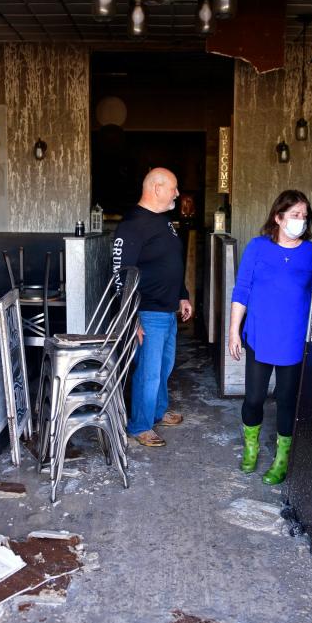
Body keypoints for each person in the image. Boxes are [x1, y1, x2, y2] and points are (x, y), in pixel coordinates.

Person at [228, 190, 312, 484]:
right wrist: (233, 332)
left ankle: (282, 459)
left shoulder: (311, 252)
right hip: (260, 334)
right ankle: (251, 448)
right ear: (278, 218)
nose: (300, 221)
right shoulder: (257, 247)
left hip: (294, 338)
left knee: (287, 399)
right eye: (294, 215)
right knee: (254, 398)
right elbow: (242, 291)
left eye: (304, 216)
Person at [113, 168, 193, 447]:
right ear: (157, 188)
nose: (177, 193)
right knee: (148, 371)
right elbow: (121, 274)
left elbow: (171, 262)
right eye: (174, 187)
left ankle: (157, 412)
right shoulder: (133, 224)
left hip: (167, 308)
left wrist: (182, 294)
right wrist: (131, 317)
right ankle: (140, 425)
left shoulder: (162, 221)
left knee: (163, 366)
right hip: (146, 311)